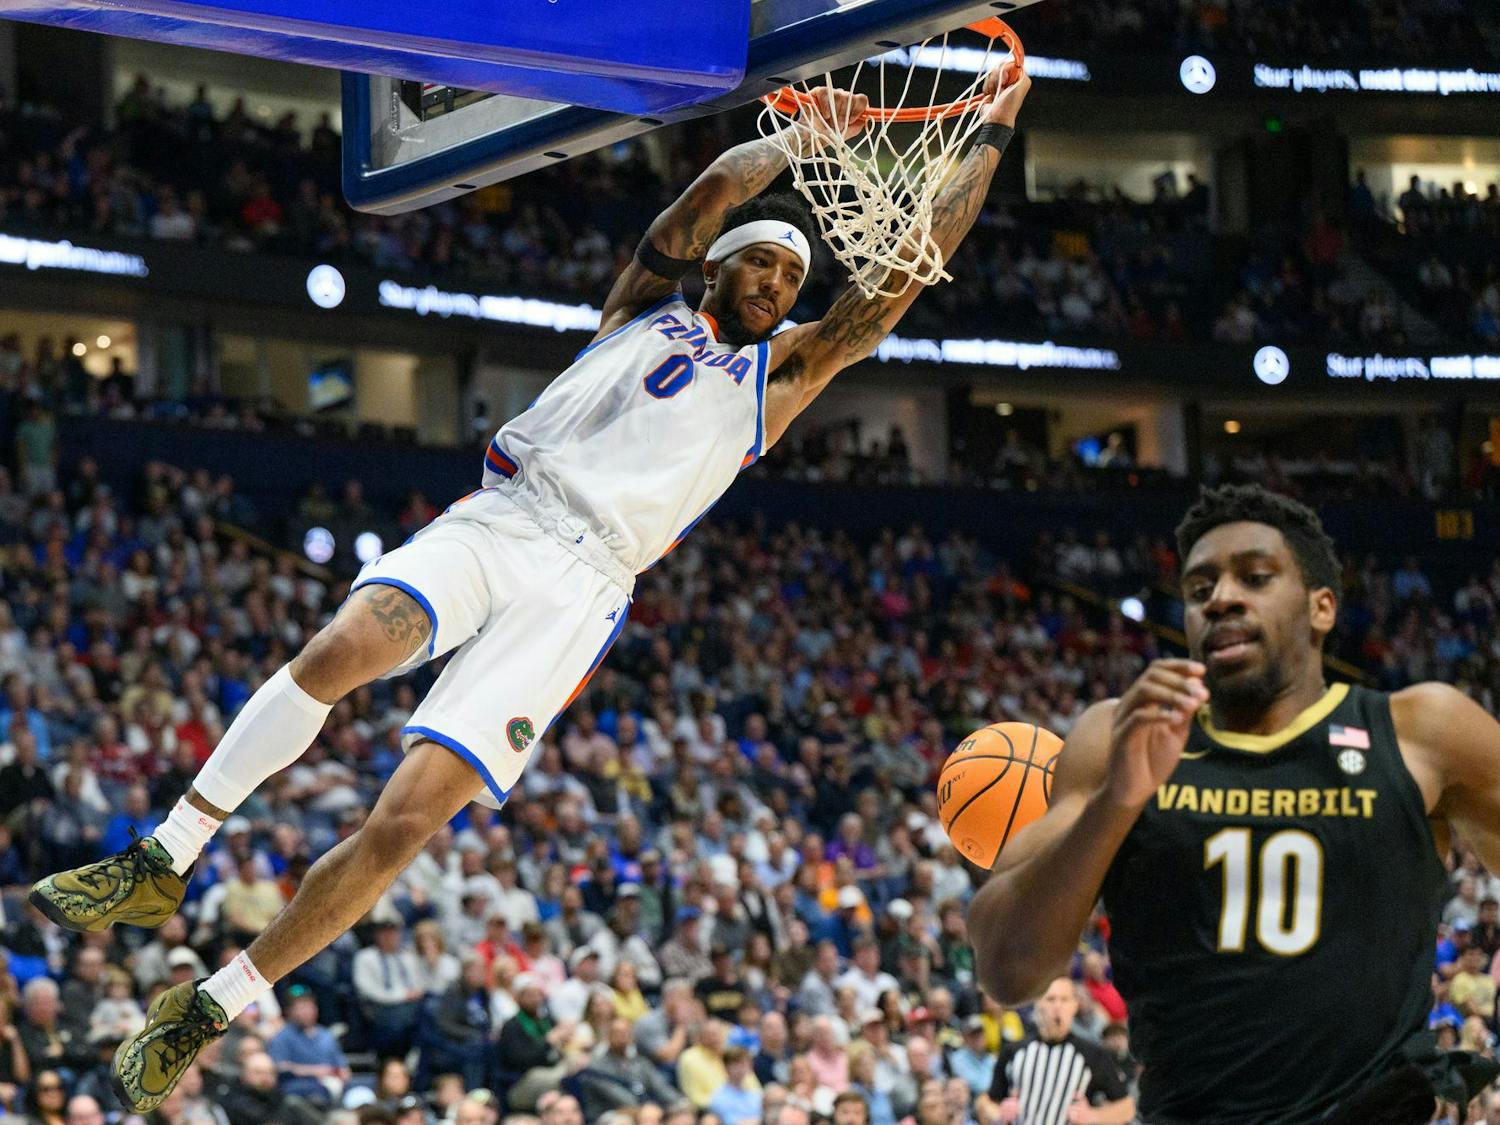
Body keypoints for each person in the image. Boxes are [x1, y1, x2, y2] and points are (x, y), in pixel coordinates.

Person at [30, 63, 1033, 1115]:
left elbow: (903, 280)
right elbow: (701, 201)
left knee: (406, 822)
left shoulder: (778, 380)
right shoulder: (640, 308)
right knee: (337, 652)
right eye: (766, 267)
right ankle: (166, 853)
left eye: (794, 276)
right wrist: (793, 143)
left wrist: (991, 135)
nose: (782, 285)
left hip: (583, 585)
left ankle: (213, 1004)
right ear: (719, 274)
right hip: (506, 514)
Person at [969, 483, 1500, 1123]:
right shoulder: (1118, 736)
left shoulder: (1423, 730)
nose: (1220, 599)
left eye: (1255, 577)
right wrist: (1118, 800)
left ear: (1322, 607)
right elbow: (1007, 968)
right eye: (1199, 590)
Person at [976, 978, 1132, 1125]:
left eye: (1064, 999)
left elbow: (1127, 1108)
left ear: (1074, 1006)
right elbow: (985, 1102)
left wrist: (1094, 1116)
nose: (1057, 1006)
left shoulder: (1092, 1055)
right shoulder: (1014, 1051)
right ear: (1038, 1004)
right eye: (1050, 999)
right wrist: (998, 1113)